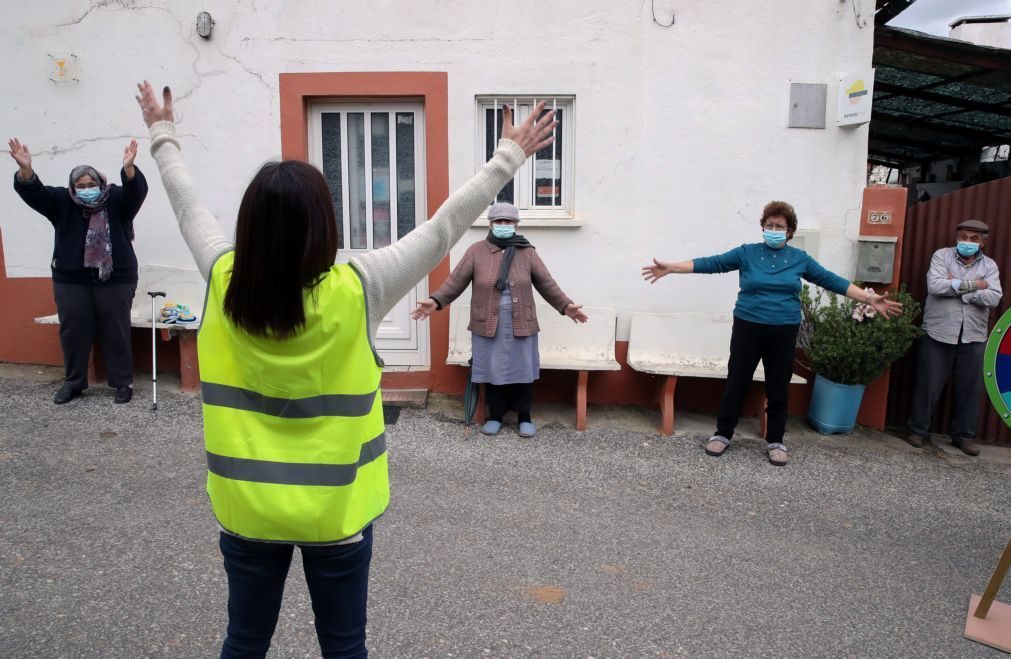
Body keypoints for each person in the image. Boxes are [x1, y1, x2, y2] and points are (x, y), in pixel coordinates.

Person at [134, 80, 555, 658]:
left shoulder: (221, 277)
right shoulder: (359, 288)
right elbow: (440, 231)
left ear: (251, 226)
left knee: (245, 640)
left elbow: (188, 209)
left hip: (245, 508)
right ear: (324, 225)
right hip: (337, 513)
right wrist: (508, 155)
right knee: (343, 644)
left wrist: (163, 136)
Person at [642, 201, 903, 466]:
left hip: (784, 329)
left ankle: (776, 440)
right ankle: (723, 434)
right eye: (769, 225)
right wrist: (672, 268)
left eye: (780, 226)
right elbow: (713, 263)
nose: (774, 230)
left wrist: (868, 298)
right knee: (737, 381)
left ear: (790, 231)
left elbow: (830, 279)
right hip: (748, 327)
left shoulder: (799, 259)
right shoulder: (747, 253)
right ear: (763, 227)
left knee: (778, 385)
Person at [411, 202, 587, 437]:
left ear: (515, 224)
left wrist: (566, 306)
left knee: (523, 371)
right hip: (488, 324)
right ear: (491, 224)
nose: (503, 225)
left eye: (508, 221)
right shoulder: (476, 251)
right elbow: (456, 281)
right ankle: (495, 415)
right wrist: (436, 301)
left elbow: (546, 283)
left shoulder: (527, 252)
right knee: (493, 371)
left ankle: (525, 416)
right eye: (499, 221)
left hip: (521, 323)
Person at [9, 137, 147, 404]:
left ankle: (122, 382)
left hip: (115, 277)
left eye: (91, 184)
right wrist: (26, 171)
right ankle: (74, 383)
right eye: (81, 186)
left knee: (115, 329)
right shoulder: (62, 201)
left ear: (101, 183)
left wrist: (129, 169)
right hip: (71, 279)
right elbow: (34, 193)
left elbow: (136, 193)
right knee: (73, 329)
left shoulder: (117, 199)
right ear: (73, 187)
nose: (87, 189)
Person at [905, 219, 1002, 456]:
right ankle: (918, 430)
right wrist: (976, 285)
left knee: (970, 388)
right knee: (928, 383)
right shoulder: (942, 256)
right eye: (964, 237)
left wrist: (958, 287)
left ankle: (963, 436)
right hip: (939, 330)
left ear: (983, 242)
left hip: (974, 334)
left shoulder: (990, 265)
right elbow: (936, 286)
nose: (967, 242)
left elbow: (994, 297)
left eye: (973, 239)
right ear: (957, 237)